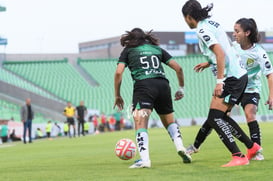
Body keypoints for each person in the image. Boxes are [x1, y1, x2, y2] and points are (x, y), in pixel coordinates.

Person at [182, 0, 261, 167]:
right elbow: (223, 50)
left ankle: (238, 155)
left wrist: (219, 82)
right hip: (239, 75)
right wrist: (208, 63)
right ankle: (251, 146)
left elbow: (220, 53)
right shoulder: (211, 23)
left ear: (189, 17)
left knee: (214, 118)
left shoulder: (202, 30)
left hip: (231, 78)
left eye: (185, 18)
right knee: (222, 117)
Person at [114, 28, 191, 168]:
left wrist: (117, 95)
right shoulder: (156, 49)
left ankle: (145, 160)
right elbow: (178, 68)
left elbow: (119, 72)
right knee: (170, 122)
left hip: (144, 86)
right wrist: (181, 89)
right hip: (163, 85)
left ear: (131, 38)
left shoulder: (129, 50)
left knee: (140, 122)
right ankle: (181, 147)